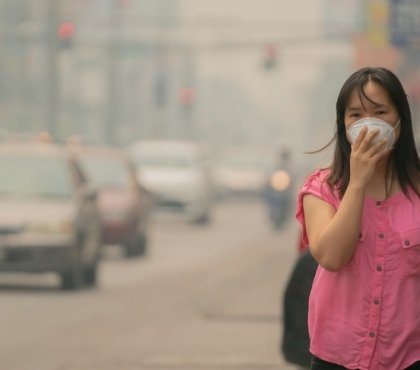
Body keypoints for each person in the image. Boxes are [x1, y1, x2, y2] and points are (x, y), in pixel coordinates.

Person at [296, 67, 420, 370]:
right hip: (336, 358)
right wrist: (358, 183)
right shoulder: (322, 187)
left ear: (400, 121)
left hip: (408, 359)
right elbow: (331, 257)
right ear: (343, 124)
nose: (369, 126)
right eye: (356, 116)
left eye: (380, 112)